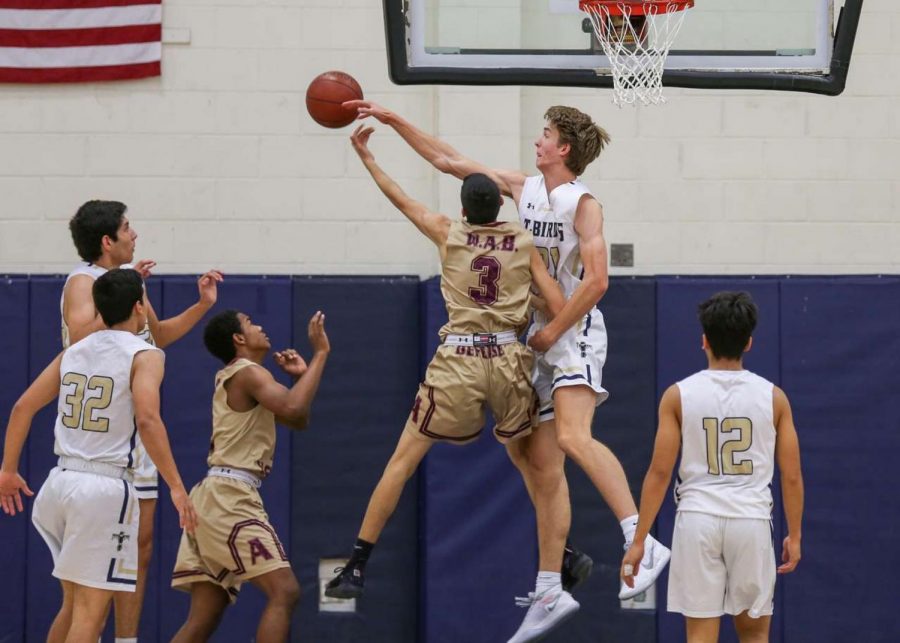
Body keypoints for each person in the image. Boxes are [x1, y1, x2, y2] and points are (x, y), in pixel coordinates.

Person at [343, 100, 670, 641]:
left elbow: (597, 283)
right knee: (537, 465)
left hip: (574, 331)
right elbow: (448, 160)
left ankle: (641, 535)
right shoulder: (525, 188)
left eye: (545, 135)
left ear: (564, 148)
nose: (537, 141)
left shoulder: (584, 204)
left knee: (570, 435)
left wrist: (552, 329)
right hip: (537, 339)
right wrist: (393, 119)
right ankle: (549, 585)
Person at [324, 125, 574, 634]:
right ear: (498, 209)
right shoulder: (523, 242)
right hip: (508, 361)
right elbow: (557, 303)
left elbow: (400, 197)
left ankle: (357, 564)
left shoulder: (446, 231)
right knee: (529, 457)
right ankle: (562, 554)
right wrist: (532, 317)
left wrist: (368, 158)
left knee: (404, 459)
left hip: (457, 360)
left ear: (464, 210)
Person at [0, 269, 198, 643]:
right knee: (91, 615)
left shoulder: (73, 350)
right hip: (102, 489)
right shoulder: (146, 354)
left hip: (59, 484)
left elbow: (23, 407)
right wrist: (175, 485)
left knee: (74, 607)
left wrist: (8, 470)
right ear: (139, 307)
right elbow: (149, 419)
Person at [62, 199, 222, 642]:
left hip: (132, 437)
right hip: (98, 441)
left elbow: (158, 333)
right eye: (128, 228)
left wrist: (202, 305)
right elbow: (78, 334)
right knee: (91, 568)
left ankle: (126, 639)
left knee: (139, 547)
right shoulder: (83, 281)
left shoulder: (129, 285)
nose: (136, 235)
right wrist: (116, 298)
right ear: (107, 240)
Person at [621, 291, 804, 643]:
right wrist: (794, 535)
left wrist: (639, 539)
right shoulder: (774, 397)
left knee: (701, 636)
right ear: (749, 343)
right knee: (754, 635)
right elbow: (792, 476)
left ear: (704, 340)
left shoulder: (678, 395)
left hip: (697, 520)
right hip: (750, 521)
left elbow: (659, 473)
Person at [170, 308, 330, 643]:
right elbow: (294, 409)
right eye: (250, 323)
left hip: (211, 497)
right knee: (285, 591)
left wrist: (300, 378)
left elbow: (297, 420)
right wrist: (320, 354)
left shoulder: (243, 374)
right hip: (229, 496)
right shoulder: (248, 372)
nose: (260, 326)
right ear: (239, 339)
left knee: (203, 618)